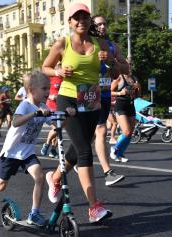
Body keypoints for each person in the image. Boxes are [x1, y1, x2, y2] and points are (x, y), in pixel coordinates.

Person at [42, 3, 124, 223]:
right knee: (85, 151)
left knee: (77, 150)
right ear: (69, 22)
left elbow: (117, 72)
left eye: (84, 17)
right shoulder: (63, 43)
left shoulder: (101, 44)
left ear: (89, 21)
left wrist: (110, 62)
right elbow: (46, 67)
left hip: (91, 101)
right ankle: (93, 207)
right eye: (76, 18)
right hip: (67, 99)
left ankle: (56, 177)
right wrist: (58, 71)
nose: (81, 21)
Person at [0, 71, 75, 226]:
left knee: (39, 177)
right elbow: (15, 122)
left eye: (48, 89)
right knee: (1, 185)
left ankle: (34, 213)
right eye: (44, 89)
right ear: (32, 90)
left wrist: (67, 116)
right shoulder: (26, 105)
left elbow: (56, 126)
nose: (48, 92)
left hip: (27, 153)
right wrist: (35, 113)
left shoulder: (43, 106)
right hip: (12, 153)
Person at [92, 15, 127, 184]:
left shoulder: (112, 46)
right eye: (99, 24)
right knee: (101, 130)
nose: (103, 26)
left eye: (105, 23)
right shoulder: (86, 44)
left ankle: (72, 162)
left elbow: (125, 67)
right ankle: (108, 172)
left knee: (90, 136)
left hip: (105, 93)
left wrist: (112, 63)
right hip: (89, 93)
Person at [110, 61, 141, 163]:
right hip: (120, 106)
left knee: (130, 134)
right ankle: (114, 148)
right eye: (128, 66)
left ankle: (120, 153)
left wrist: (138, 87)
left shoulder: (134, 79)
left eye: (131, 65)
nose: (129, 68)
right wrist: (120, 92)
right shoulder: (119, 78)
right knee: (126, 131)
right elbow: (108, 91)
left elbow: (138, 95)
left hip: (131, 106)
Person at [40, 73, 62, 158]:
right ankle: (47, 144)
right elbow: (42, 90)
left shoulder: (65, 78)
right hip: (51, 106)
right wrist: (50, 96)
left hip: (61, 105)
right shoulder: (50, 78)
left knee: (58, 130)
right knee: (56, 128)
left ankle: (53, 150)